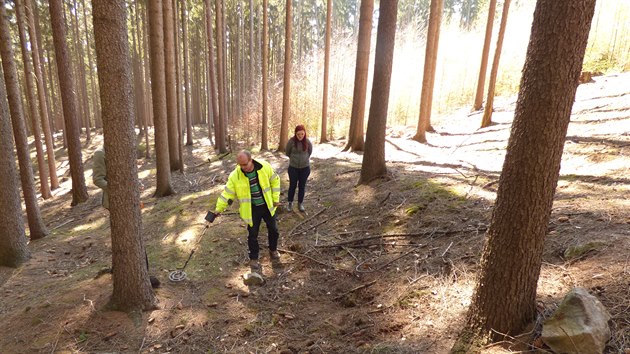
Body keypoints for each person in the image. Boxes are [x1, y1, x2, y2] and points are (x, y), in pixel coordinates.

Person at [92, 146, 160, 288]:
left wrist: (136, 184)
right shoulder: (100, 153)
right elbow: (98, 179)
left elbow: (128, 173)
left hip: (130, 199)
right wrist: (118, 188)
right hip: (115, 202)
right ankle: (131, 276)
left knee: (136, 237)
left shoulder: (123, 147)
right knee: (125, 238)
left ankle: (142, 274)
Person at [209, 150, 281, 271]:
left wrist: (275, 198)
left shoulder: (264, 167)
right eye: (240, 165)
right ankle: (254, 258)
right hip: (252, 209)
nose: (243, 167)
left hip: (268, 205)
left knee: (274, 230)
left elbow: (275, 180)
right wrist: (218, 209)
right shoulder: (235, 176)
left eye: (245, 164)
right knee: (252, 235)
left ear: (251, 160)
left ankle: (273, 250)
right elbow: (227, 194)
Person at [285, 125, 313, 212]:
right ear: (295, 134)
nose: (300, 136)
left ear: (304, 133)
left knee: (302, 186)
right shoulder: (291, 142)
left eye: (302, 134)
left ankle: (300, 203)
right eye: (298, 134)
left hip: (305, 168)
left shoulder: (308, 142)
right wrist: (294, 159)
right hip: (293, 168)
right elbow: (287, 152)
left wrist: (304, 159)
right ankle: (290, 203)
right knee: (292, 186)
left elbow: (310, 152)